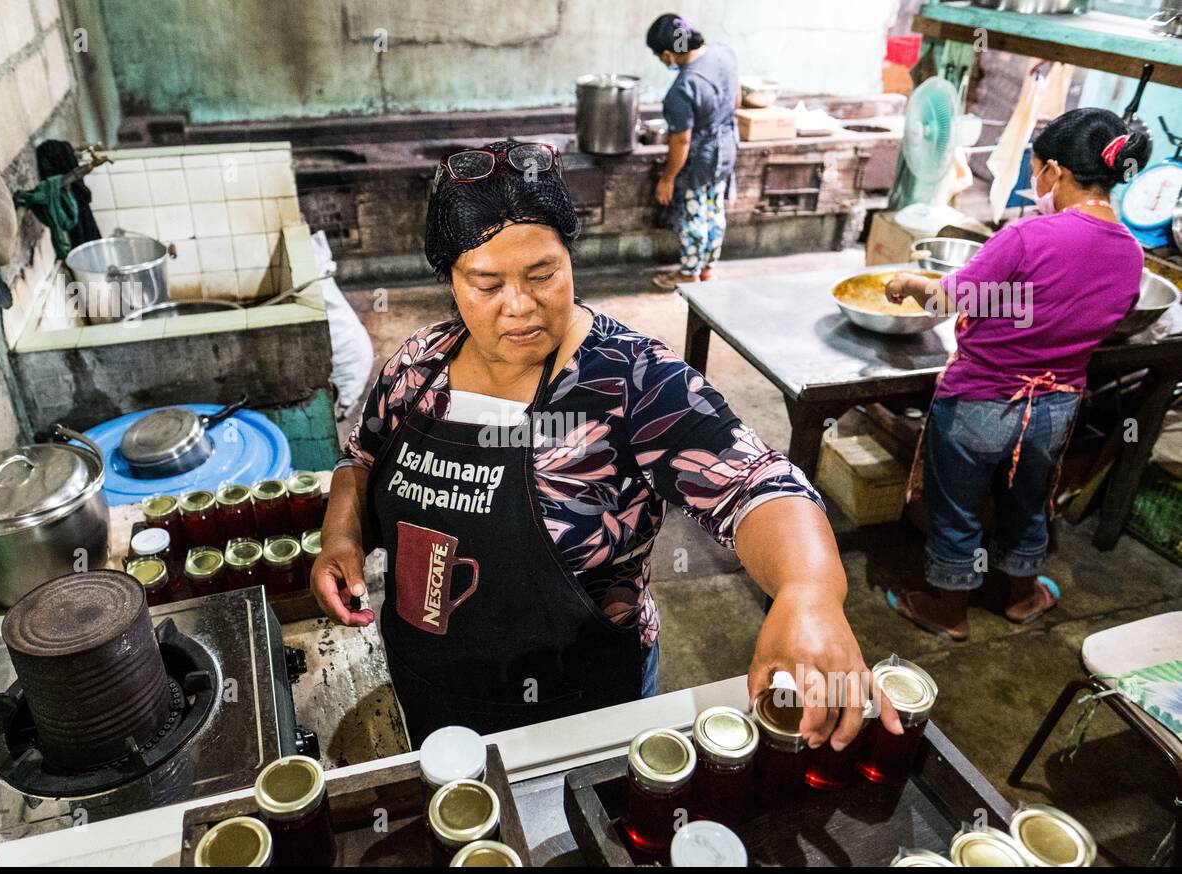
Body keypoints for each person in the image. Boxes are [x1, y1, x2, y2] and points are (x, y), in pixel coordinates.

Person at [312, 138, 898, 747]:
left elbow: (759, 485)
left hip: (580, 709)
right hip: (428, 692)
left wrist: (809, 593)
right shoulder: (418, 365)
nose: (520, 307)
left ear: (570, 258)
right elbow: (359, 460)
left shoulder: (633, 380)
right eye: (486, 285)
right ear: (450, 279)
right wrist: (341, 538)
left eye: (543, 275)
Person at [883, 108, 1149, 641]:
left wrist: (909, 280)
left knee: (955, 506)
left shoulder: (1027, 237)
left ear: (1054, 170)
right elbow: (1106, 313)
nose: (1035, 181)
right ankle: (1022, 597)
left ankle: (948, 610)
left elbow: (949, 296)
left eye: (1035, 170)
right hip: (1055, 407)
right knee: (1030, 500)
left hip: (979, 403)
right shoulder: (1131, 252)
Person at [645, 13, 740, 291]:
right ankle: (708, 269)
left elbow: (681, 142)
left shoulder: (683, 88)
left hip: (700, 158)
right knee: (715, 208)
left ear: (666, 54)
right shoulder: (724, 54)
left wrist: (668, 178)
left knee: (694, 213)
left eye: (658, 55)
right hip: (727, 146)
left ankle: (689, 273)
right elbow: (736, 97)